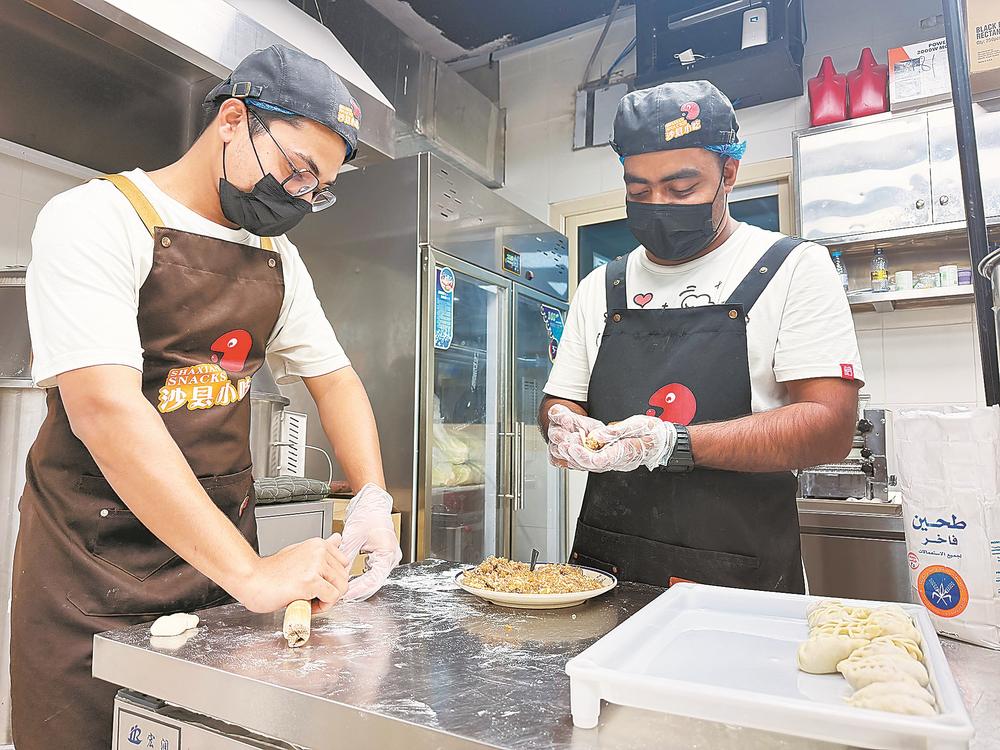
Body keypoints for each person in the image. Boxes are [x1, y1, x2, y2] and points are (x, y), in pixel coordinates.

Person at [12, 45, 401, 747]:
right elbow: (104, 409)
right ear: (232, 119)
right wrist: (250, 572)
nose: (299, 197)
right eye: (296, 169)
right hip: (93, 568)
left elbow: (335, 378)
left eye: (317, 188)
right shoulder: (97, 217)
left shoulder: (277, 259)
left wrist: (372, 494)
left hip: (217, 565)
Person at [540, 81, 864, 593]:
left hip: (739, 578)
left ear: (728, 173)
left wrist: (672, 443)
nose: (658, 204)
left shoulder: (793, 267)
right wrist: (561, 426)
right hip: (607, 569)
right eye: (638, 191)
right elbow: (562, 401)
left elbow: (830, 426)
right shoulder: (600, 286)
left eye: (681, 189)